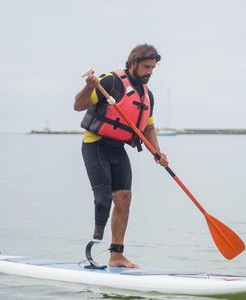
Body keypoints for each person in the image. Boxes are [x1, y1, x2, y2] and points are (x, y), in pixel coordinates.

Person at [74, 44, 168, 268]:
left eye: (153, 68)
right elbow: (78, 105)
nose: (150, 72)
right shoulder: (110, 82)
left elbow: (148, 128)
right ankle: (94, 242)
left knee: (124, 199)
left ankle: (116, 255)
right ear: (133, 63)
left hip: (118, 148)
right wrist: (89, 87)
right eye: (146, 67)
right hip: (95, 145)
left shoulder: (147, 96)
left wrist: (157, 152)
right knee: (104, 198)